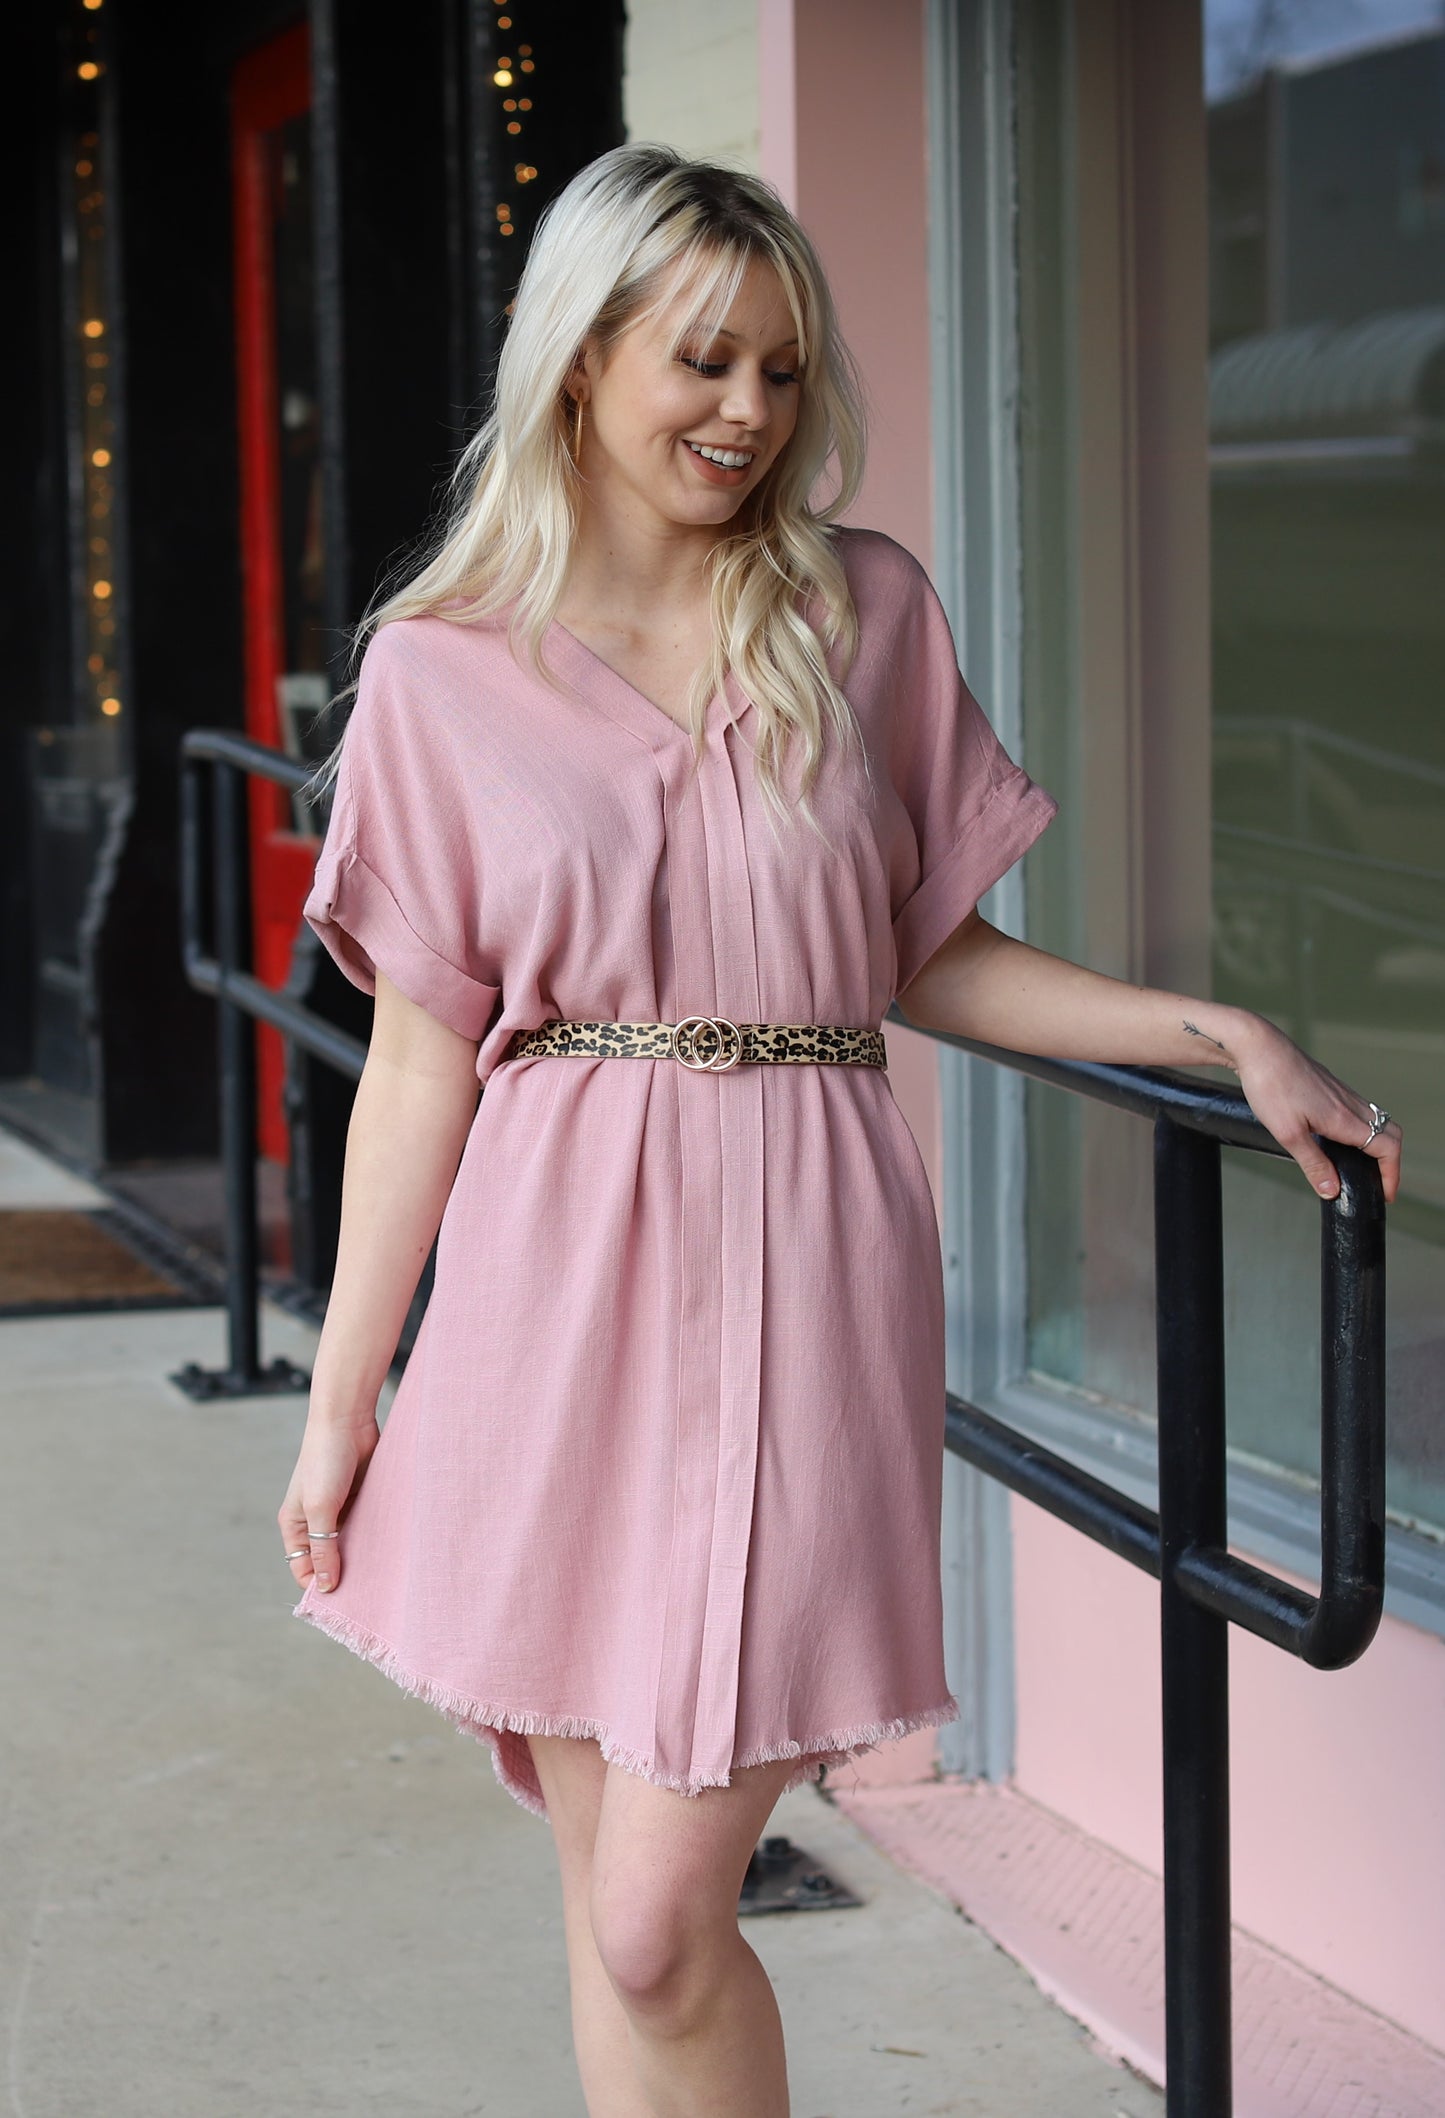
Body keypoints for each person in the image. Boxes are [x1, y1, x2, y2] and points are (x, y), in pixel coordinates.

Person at [276, 144, 1403, 2118]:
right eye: (703, 360)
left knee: (659, 1916)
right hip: (551, 1296)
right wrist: (345, 1389)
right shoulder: (444, 675)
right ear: (581, 358)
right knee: (607, 1894)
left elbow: (925, 954)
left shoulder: (855, 608)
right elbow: (424, 1060)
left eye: (783, 370)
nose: (748, 410)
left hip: (806, 1272)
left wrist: (1215, 1031)